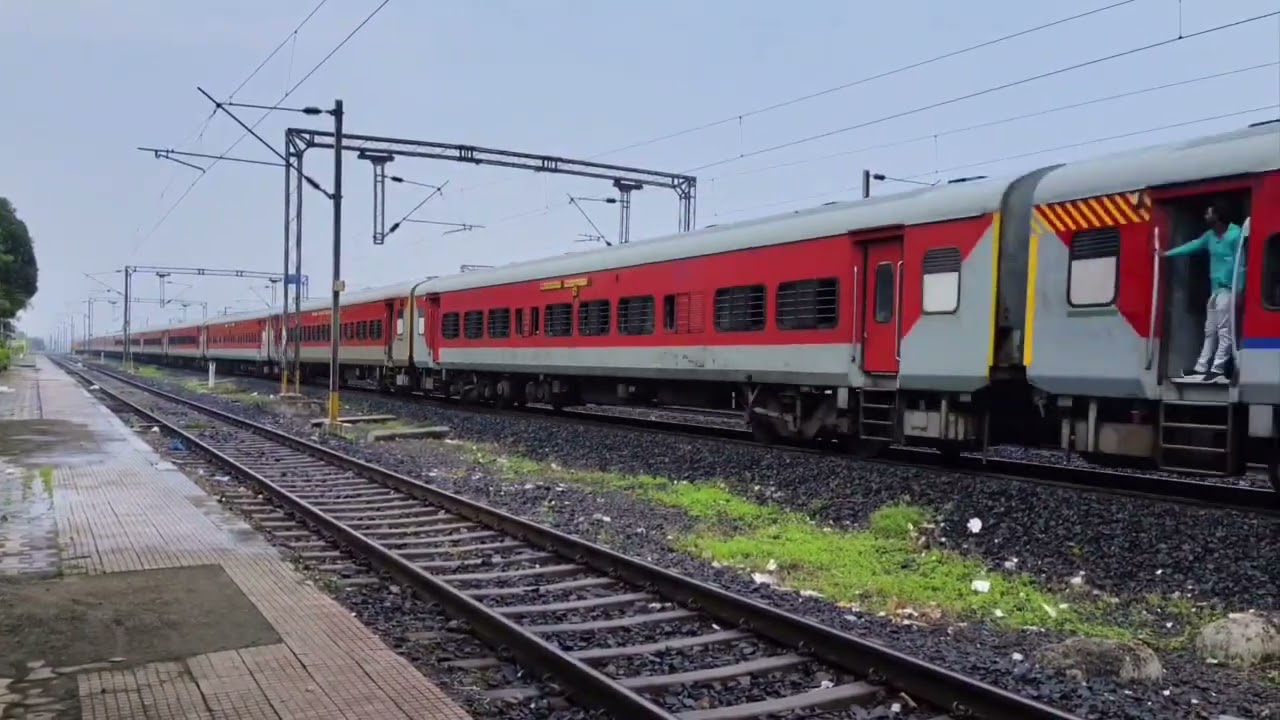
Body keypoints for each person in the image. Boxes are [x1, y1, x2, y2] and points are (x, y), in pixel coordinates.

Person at [1163, 202, 1245, 383]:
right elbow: (1192, 246)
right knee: (1210, 330)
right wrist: (1167, 254)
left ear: (1218, 216)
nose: (1205, 217)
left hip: (1228, 291)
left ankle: (1218, 368)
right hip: (1215, 290)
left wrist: (1239, 290)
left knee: (1224, 331)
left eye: (1209, 214)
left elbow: (1241, 265)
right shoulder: (1210, 236)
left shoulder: (1235, 235)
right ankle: (1201, 367)